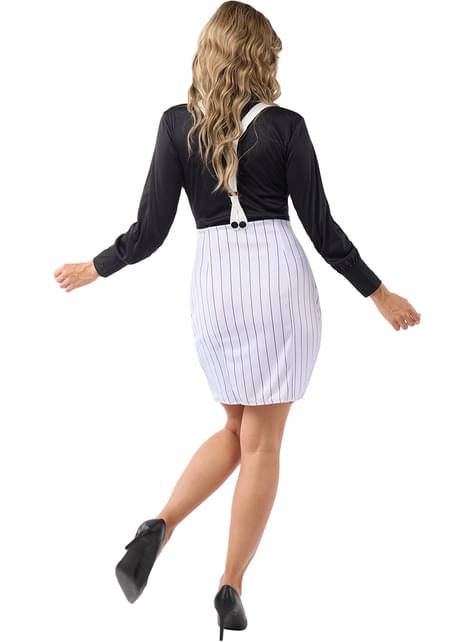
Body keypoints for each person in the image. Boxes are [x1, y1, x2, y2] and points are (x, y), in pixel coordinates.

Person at [53, 1, 421, 638]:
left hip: (216, 286)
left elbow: (149, 231)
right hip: (277, 282)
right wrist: (378, 293)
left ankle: (159, 526)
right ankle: (231, 584)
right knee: (263, 442)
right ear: (258, 55)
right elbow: (322, 229)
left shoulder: (177, 125)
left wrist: (96, 266)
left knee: (235, 426)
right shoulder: (286, 126)